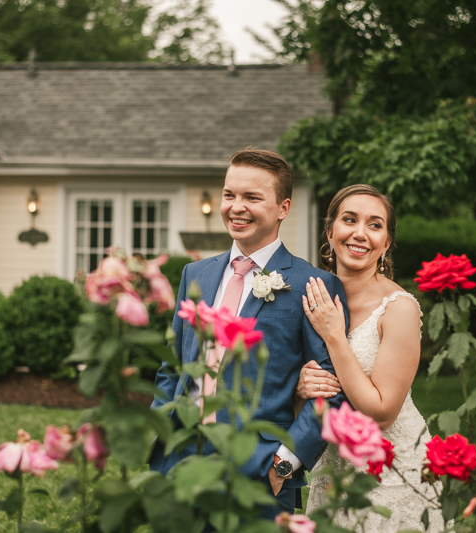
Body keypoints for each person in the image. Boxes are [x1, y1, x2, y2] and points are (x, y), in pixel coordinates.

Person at [149, 149, 349, 517]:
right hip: (181, 464)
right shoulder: (195, 275)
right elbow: (172, 366)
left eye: (252, 197)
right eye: (230, 195)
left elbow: (332, 390)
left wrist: (283, 465)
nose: (236, 207)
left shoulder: (314, 284)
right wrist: (164, 432)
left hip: (259, 473)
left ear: (283, 208)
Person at [297, 184, 445, 532]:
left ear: (386, 243)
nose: (360, 233)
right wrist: (301, 386)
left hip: (392, 476)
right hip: (332, 472)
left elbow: (381, 412)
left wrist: (335, 336)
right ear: (330, 232)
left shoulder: (399, 309)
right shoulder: (312, 296)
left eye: (375, 225)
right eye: (350, 220)